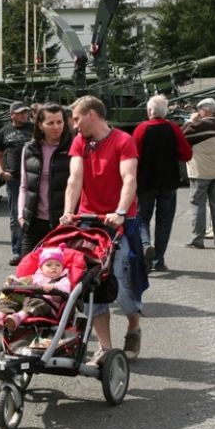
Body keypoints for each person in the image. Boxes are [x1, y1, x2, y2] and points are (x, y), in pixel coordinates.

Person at [60, 95, 148, 363]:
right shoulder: (80, 142)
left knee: (122, 282)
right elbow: (75, 178)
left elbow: (129, 179)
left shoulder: (123, 141)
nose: (75, 125)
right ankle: (105, 347)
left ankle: (133, 326)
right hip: (89, 220)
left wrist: (120, 212)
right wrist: (68, 212)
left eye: (77, 118)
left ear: (92, 115)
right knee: (92, 283)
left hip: (120, 221)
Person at [132, 95, 192, 271]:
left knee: (142, 217)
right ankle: (159, 260)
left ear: (150, 111)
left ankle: (145, 245)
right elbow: (187, 154)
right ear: (165, 111)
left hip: (145, 182)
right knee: (164, 221)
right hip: (169, 181)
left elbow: (133, 156)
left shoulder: (141, 129)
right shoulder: (173, 128)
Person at [18, 102, 73, 255]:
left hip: (63, 224)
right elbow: (24, 185)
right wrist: (21, 216)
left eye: (60, 122)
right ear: (40, 125)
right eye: (50, 123)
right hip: (34, 223)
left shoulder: (73, 147)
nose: (56, 127)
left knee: (61, 268)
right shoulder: (29, 149)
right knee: (27, 268)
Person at [0, 244, 72, 331]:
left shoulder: (63, 280)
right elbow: (23, 282)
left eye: (58, 265)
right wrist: (14, 282)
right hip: (27, 302)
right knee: (12, 295)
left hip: (48, 307)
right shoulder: (35, 277)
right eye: (49, 265)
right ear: (41, 268)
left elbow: (66, 290)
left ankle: (19, 316)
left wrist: (54, 287)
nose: (54, 267)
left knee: (37, 302)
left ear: (62, 267)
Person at [182, 97, 215, 250]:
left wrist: (190, 121)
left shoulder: (200, 125)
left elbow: (182, 136)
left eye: (200, 110)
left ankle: (197, 240)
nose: (198, 113)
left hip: (200, 171)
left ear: (205, 110)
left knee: (198, 205)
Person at [0, 101, 34, 266]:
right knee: (15, 217)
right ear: (12, 115)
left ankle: (33, 251)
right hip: (14, 180)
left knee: (35, 214)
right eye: (20, 112)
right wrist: (1, 171)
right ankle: (17, 252)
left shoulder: (34, 128)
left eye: (26, 112)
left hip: (33, 177)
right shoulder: (4, 132)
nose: (24, 115)